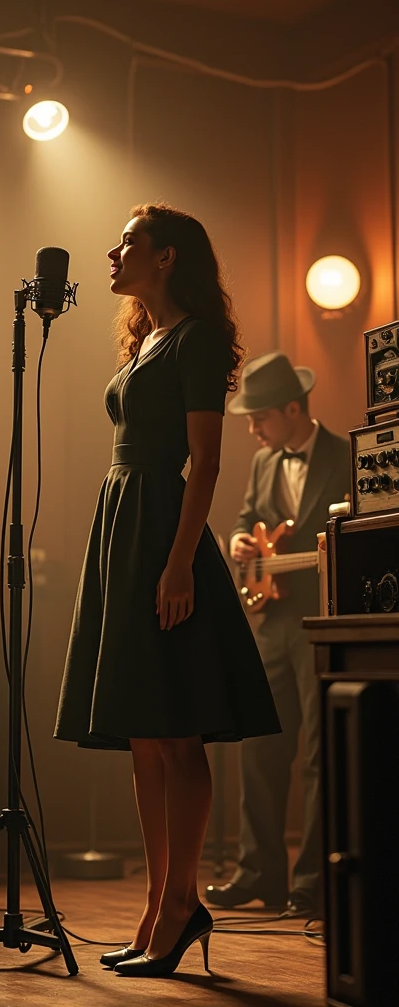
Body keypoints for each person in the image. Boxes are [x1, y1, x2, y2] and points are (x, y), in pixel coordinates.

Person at [54, 203, 280, 978]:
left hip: (161, 531)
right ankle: (158, 903)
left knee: (177, 730)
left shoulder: (199, 336)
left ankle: (182, 901)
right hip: (126, 525)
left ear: (169, 257)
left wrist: (181, 563)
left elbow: (207, 461)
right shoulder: (146, 336)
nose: (112, 253)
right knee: (144, 735)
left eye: (128, 243)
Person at [205, 351, 350, 918]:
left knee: (319, 753)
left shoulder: (348, 455)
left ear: (293, 409)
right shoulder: (265, 462)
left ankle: (311, 882)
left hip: (323, 620)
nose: (251, 428)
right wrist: (241, 540)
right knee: (260, 748)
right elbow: (247, 519)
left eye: (259, 416)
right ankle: (258, 872)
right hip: (271, 624)